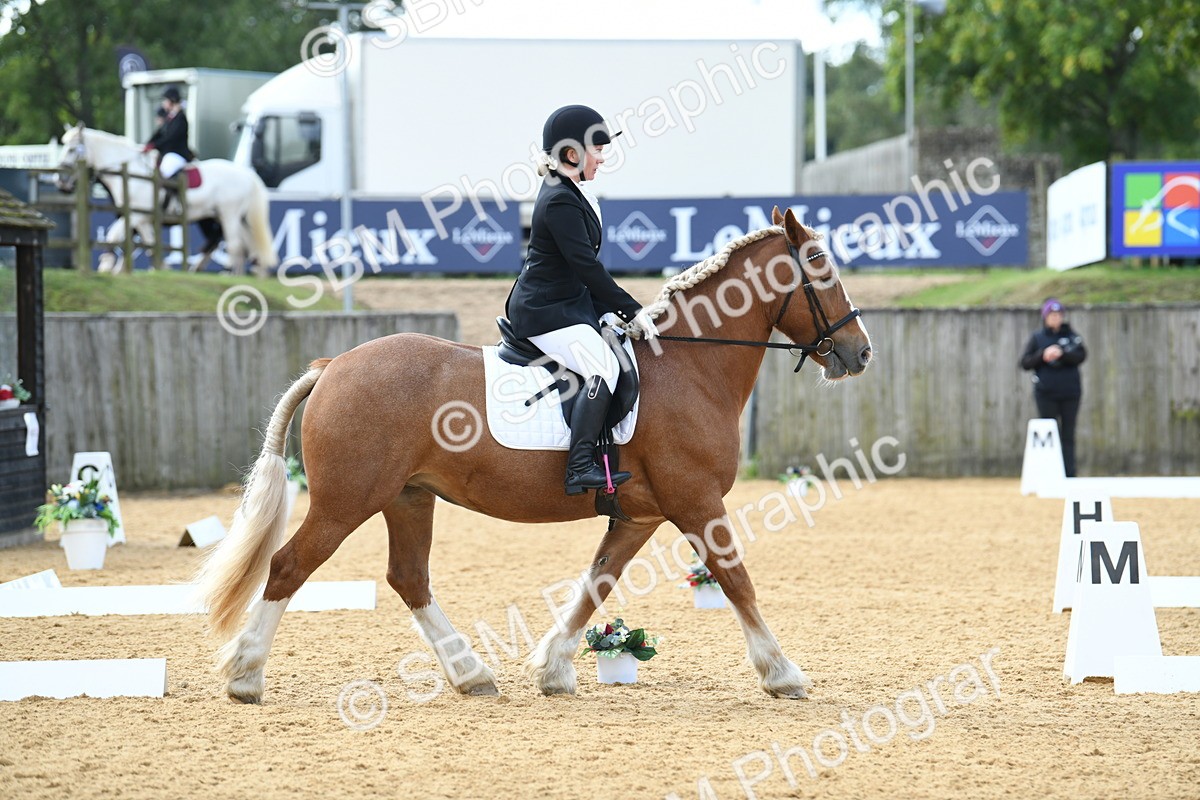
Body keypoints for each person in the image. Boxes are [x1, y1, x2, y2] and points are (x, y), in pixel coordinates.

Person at [505, 104, 660, 496]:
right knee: (603, 367)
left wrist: (606, 312)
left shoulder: (576, 192)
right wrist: (631, 308)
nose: (603, 157)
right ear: (572, 154)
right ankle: (579, 468)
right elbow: (586, 266)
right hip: (543, 311)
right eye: (597, 149)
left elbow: (581, 273)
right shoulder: (559, 200)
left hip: (566, 304)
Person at [1020, 298, 1087, 477]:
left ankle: (1069, 474)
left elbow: (1081, 356)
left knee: (1068, 435)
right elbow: (1025, 362)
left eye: (1059, 315)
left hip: (1070, 393)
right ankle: (1049, 474)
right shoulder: (1038, 338)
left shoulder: (1071, 336)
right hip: (1046, 393)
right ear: (1045, 317)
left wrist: (1062, 353)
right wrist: (1043, 355)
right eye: (1052, 315)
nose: (1056, 318)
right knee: (1049, 434)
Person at [142, 86, 193, 184]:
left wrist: (154, 145)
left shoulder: (181, 119)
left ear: (172, 100)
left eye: (165, 100)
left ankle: (172, 197)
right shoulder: (170, 117)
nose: (163, 103)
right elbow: (159, 133)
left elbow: (170, 138)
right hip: (167, 154)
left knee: (165, 172)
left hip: (177, 154)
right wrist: (148, 144)